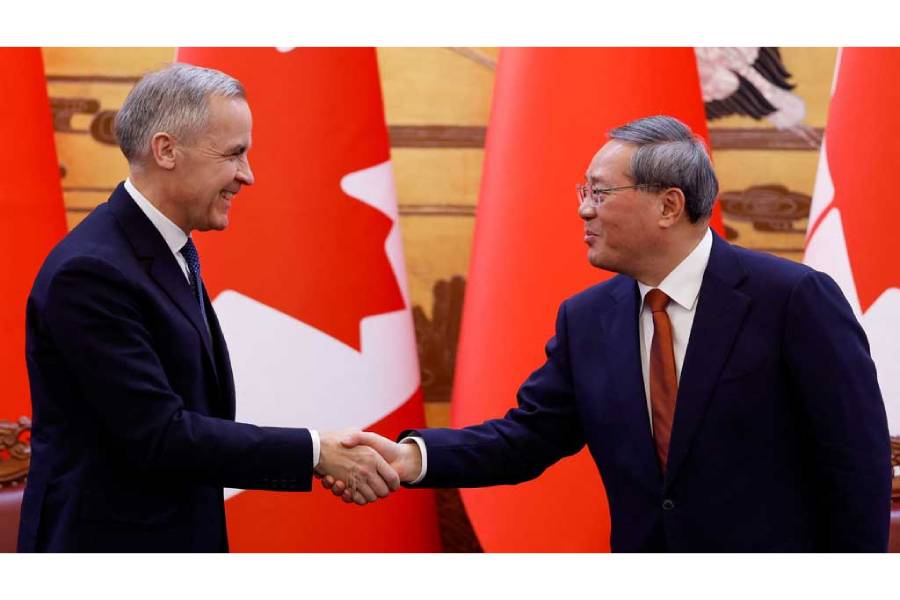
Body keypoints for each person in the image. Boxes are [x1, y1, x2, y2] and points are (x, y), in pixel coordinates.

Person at [323, 115, 893, 552]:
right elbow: (525, 438)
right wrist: (410, 457)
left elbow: (856, 464)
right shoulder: (587, 318)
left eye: (599, 193)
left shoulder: (792, 299)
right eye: (584, 193)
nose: (583, 211)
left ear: (668, 206)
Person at [18, 64, 398, 552]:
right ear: (166, 150)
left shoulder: (161, 249)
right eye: (234, 154)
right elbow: (158, 435)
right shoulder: (91, 272)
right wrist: (315, 451)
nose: (247, 175)